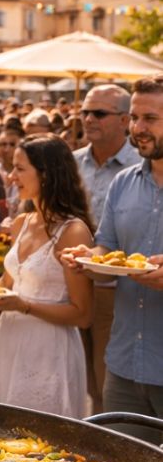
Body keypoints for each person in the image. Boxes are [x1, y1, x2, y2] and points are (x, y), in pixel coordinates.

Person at [62, 75, 163, 419]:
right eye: (134, 118)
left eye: (150, 119)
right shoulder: (124, 183)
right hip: (123, 363)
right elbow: (108, 247)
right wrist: (87, 257)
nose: (138, 128)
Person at [0, 136, 94, 417]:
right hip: (8, 339)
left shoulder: (73, 231)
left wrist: (24, 306)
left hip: (49, 348)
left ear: (46, 173)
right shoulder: (21, 222)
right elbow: (8, 285)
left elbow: (82, 314)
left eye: (20, 168)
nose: (10, 175)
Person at [72, 84, 141, 413]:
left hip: (117, 290)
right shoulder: (72, 163)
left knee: (105, 380)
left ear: (125, 120)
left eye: (98, 113)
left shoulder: (140, 167)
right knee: (80, 376)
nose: (88, 119)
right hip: (73, 280)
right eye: (85, 112)